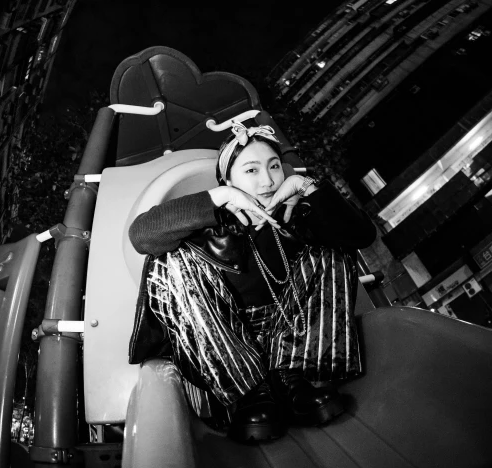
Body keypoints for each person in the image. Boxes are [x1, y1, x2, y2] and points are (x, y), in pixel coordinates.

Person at [128, 121, 376, 443]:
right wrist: (217, 198)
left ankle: (296, 377)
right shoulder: (208, 229)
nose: (268, 180)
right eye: (251, 170)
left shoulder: (297, 217)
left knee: (332, 241)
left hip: (292, 344)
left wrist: (307, 186)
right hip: (229, 351)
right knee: (168, 262)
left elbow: (362, 236)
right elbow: (142, 235)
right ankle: (249, 393)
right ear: (228, 181)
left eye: (274, 166)